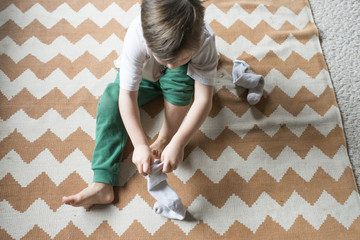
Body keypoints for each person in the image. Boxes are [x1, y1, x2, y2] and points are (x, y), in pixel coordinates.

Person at [62, 0, 218, 209]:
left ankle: (164, 137)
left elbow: (203, 99)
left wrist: (177, 142)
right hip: (146, 70)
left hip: (184, 75)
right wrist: (140, 144)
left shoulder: (204, 40)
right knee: (110, 99)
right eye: (165, 60)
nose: (171, 66)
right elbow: (126, 96)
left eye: (181, 58)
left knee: (180, 86)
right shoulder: (137, 35)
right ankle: (102, 182)